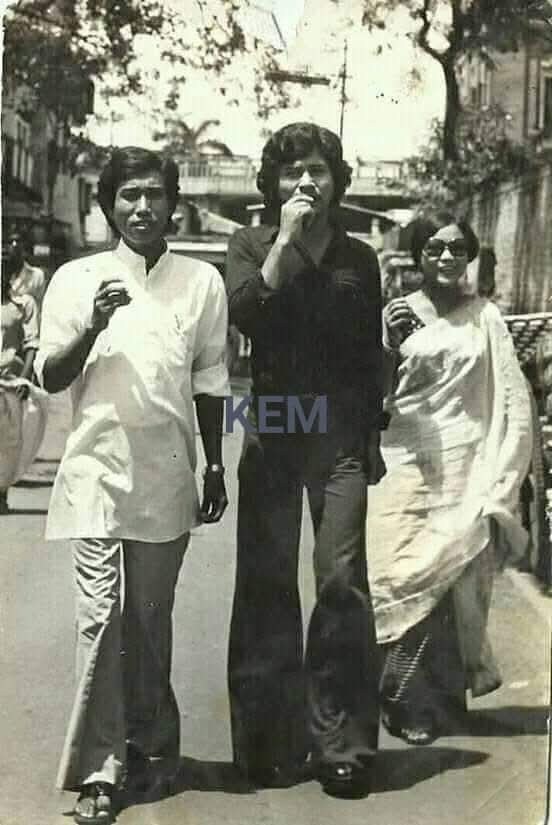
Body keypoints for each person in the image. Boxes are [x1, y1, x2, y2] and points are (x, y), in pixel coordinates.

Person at [35, 147, 230, 825]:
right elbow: (50, 376)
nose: (142, 207)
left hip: (166, 476)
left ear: (173, 203)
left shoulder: (202, 282)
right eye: (128, 195)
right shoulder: (75, 279)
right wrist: (93, 324)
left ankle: (149, 743)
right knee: (100, 620)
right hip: (95, 473)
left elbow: (210, 380)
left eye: (154, 194)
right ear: (108, 204)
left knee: (148, 620)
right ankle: (99, 769)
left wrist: (214, 464)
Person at [226, 122, 385, 798]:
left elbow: (369, 352)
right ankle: (267, 743)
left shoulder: (360, 255)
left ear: (336, 180)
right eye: (293, 172)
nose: (305, 182)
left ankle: (342, 744)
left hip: (339, 432)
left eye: (318, 170)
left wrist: (372, 434)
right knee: (266, 582)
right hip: (274, 422)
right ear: (273, 183)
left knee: (341, 580)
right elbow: (247, 314)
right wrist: (285, 242)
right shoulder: (249, 243)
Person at [367, 211, 532, 746]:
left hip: (466, 462)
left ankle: (434, 700)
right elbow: (374, 394)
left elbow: (512, 397)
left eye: (456, 249)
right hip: (403, 458)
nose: (445, 257)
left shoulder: (486, 318)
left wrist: (504, 469)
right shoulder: (395, 313)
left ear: (469, 256)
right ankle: (397, 693)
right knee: (394, 571)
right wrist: (387, 344)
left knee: (452, 574)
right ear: (418, 254)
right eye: (434, 248)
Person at [0, 250, 45, 513]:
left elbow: (31, 344)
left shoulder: (23, 305)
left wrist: (24, 379)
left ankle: (1, 493)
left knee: (8, 442)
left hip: (8, 382)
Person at [3, 231, 46, 314]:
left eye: (19, 242)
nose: (15, 245)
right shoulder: (3, 275)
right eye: (10, 242)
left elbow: (41, 306)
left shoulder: (37, 275)